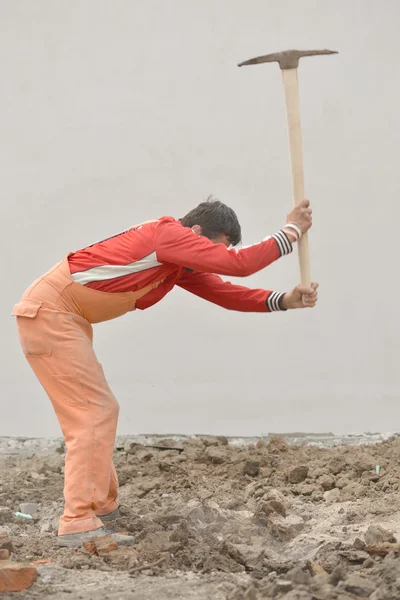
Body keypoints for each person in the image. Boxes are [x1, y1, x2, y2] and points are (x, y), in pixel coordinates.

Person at [12, 197, 317, 547]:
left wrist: (283, 300)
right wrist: (292, 230)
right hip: (51, 315)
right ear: (197, 231)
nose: (211, 257)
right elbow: (240, 264)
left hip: (62, 318)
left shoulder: (175, 261)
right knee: (93, 413)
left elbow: (225, 293)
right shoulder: (167, 235)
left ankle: (101, 507)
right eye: (214, 248)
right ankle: (78, 520)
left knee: (94, 413)